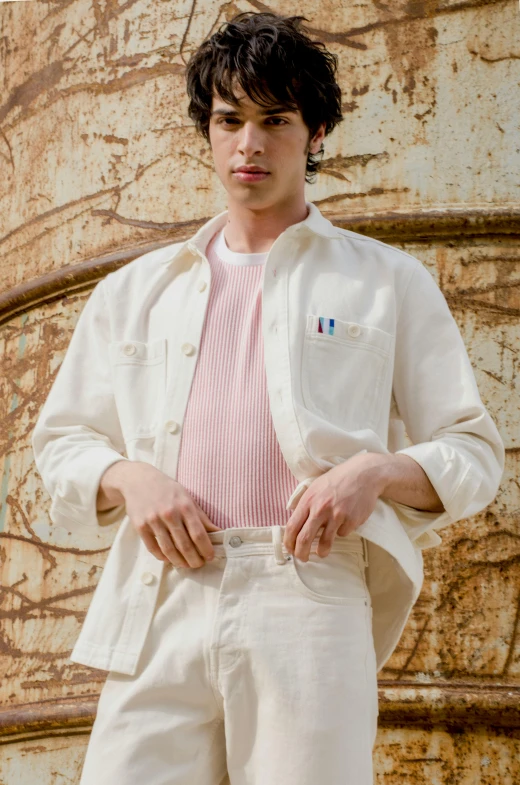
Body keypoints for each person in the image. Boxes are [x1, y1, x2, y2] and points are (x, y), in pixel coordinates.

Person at [31, 11, 504, 785]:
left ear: (316, 132)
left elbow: (472, 451)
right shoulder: (135, 292)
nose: (249, 145)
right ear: (208, 131)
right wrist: (130, 478)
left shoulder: (385, 281)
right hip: (160, 591)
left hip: (308, 591)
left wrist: (373, 473)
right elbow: (61, 444)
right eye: (229, 120)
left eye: (274, 120)